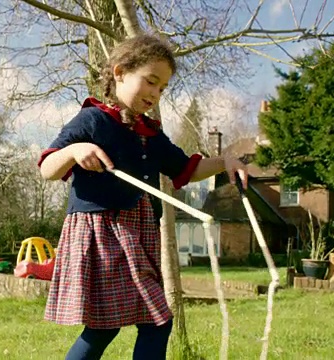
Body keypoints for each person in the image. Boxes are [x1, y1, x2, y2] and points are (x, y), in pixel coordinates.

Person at [37, 33, 248, 360]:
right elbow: (48, 167)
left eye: (162, 88)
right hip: (103, 232)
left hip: (140, 232)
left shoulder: (150, 134)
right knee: (117, 325)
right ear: (120, 73)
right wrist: (76, 150)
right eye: (150, 81)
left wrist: (226, 161)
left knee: (151, 321)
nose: (155, 93)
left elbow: (186, 170)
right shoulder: (92, 119)